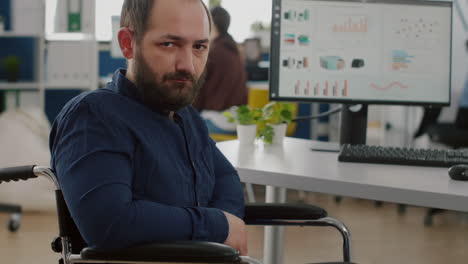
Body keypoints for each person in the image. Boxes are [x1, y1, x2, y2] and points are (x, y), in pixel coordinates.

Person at [49, 0, 247, 255]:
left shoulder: (187, 117)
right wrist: (217, 225)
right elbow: (109, 223)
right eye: (169, 44)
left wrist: (225, 227)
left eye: (199, 46)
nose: (187, 64)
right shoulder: (93, 117)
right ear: (127, 43)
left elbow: (225, 178)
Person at [192, 6, 247, 134]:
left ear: (211, 23)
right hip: (236, 119)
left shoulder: (213, 52)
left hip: (217, 119)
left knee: (178, 130)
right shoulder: (234, 50)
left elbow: (198, 94)